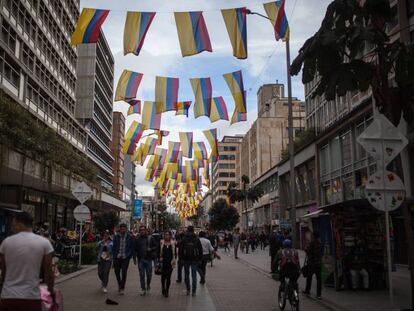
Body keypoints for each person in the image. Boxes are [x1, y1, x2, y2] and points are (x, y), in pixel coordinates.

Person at [0, 212, 54, 311]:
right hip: (31, 297)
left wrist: (3, 289)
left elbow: (3, 272)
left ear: (20, 225)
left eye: (13, 225)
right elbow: (49, 273)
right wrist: (51, 292)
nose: (12, 228)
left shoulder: (6, 242)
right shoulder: (44, 243)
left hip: (8, 296)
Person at [133, 225, 157, 296]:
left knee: (149, 275)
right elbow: (135, 249)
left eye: (144, 230)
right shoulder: (137, 239)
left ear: (146, 231)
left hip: (149, 259)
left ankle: (148, 284)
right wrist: (134, 258)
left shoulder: (150, 238)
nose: (142, 231)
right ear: (139, 231)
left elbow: (156, 246)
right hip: (141, 260)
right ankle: (143, 289)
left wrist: (151, 249)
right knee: (141, 275)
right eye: (141, 230)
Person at [179, 226, 203, 296]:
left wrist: (181, 258)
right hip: (195, 259)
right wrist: (200, 259)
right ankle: (194, 291)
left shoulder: (184, 238)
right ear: (193, 231)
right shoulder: (196, 239)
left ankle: (188, 289)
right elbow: (200, 250)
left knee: (186, 275)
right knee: (194, 275)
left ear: (187, 230)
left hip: (186, 259)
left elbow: (180, 250)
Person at [112, 223, 134, 295]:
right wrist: (114, 256)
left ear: (126, 229)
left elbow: (131, 247)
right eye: (121, 229)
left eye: (124, 228)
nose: (123, 230)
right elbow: (113, 247)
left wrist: (129, 255)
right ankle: (120, 284)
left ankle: (122, 287)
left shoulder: (129, 237)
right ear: (120, 229)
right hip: (117, 257)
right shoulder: (116, 237)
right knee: (117, 272)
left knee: (124, 272)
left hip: (125, 258)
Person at [303, 232, 322, 299]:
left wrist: (306, 248)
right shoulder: (320, 243)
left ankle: (307, 290)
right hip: (318, 263)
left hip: (312, 263)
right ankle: (319, 294)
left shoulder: (312, 243)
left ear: (314, 236)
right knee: (319, 279)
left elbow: (307, 250)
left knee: (309, 277)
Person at [159, 230, 176, 297]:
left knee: (168, 277)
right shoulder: (161, 242)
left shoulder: (173, 243)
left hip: (170, 263)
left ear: (170, 236)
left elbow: (175, 253)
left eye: (168, 235)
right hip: (163, 262)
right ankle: (163, 288)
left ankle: (167, 291)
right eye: (165, 235)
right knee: (163, 277)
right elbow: (158, 251)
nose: (167, 236)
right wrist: (159, 257)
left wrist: (174, 260)